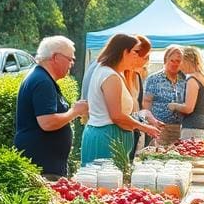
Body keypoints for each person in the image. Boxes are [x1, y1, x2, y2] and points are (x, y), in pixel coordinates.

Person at [14, 36, 88, 178]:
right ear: (55, 57)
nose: (72, 63)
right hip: (42, 167)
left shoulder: (41, 77)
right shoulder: (42, 81)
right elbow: (47, 122)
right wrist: (74, 111)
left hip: (46, 164)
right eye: (70, 59)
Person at [81, 33, 160, 164]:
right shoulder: (110, 75)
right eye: (135, 52)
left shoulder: (114, 73)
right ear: (124, 52)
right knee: (104, 183)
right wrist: (144, 127)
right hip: (107, 138)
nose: (137, 56)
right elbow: (116, 115)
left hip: (112, 138)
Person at [143, 46, 185, 145]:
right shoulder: (153, 79)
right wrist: (150, 123)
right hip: (160, 129)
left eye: (178, 61)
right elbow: (146, 102)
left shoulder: (185, 79)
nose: (175, 64)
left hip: (180, 129)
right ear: (165, 60)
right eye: (172, 60)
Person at [169, 46, 204, 139]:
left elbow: (188, 108)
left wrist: (174, 106)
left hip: (193, 126)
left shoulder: (192, 79)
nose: (179, 66)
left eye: (180, 61)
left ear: (188, 61)